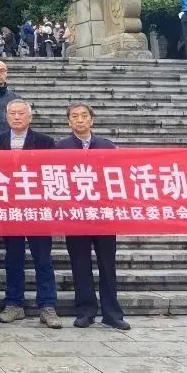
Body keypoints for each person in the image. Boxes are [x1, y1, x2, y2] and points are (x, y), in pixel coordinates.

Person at [56, 103, 130, 331]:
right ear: (69, 122)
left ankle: (112, 314)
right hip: (75, 215)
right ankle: (85, 311)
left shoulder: (107, 146)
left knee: (107, 264)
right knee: (80, 264)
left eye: (84, 116)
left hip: (103, 215)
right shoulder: (60, 148)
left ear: (92, 120)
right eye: (75, 116)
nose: (80, 120)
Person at [0, 100, 61, 329]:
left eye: (21, 113)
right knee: (13, 258)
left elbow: (52, 172)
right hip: (11, 210)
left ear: (30, 117)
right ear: (6, 117)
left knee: (43, 259)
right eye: (12, 113)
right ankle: (14, 304)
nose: (17, 117)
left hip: (37, 209)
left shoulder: (45, 142)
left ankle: (47, 305)